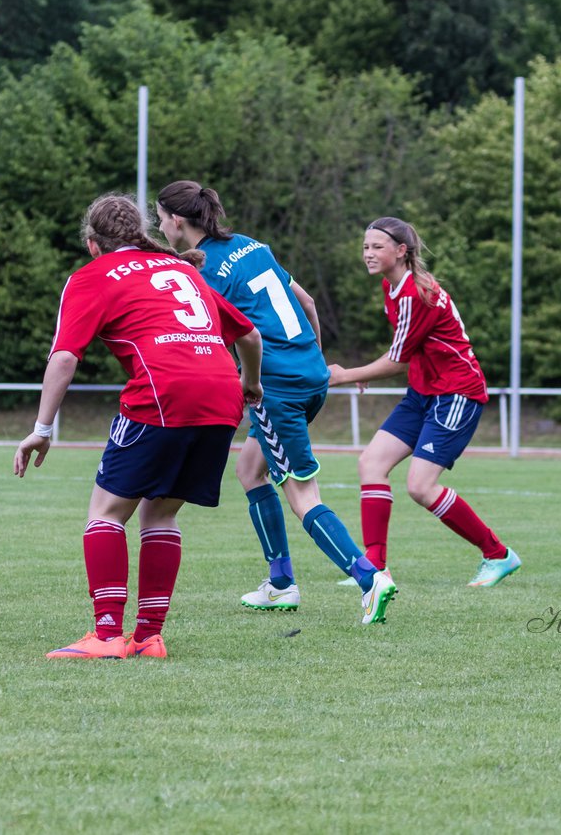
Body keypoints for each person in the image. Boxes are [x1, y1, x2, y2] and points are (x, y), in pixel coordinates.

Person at [14, 193, 265, 660]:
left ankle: (107, 635)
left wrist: (42, 429)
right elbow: (248, 335)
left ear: (94, 244)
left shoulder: (92, 276)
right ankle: (149, 637)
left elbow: (65, 357)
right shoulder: (183, 270)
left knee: (106, 513)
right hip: (221, 395)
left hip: (165, 393)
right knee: (161, 514)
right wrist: (250, 384)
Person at [155, 180, 397, 625]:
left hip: (277, 389)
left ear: (176, 220)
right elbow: (306, 303)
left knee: (302, 494)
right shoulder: (251, 246)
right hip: (311, 375)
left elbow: (239, 339)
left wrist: (252, 386)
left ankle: (369, 578)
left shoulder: (204, 274)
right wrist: (314, 363)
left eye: (160, 217)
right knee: (250, 470)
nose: (159, 226)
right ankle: (280, 584)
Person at [327, 217, 521, 587]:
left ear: (402, 251)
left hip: (456, 394)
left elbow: (397, 360)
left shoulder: (417, 293)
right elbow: (407, 350)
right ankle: (375, 566)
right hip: (424, 393)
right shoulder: (392, 286)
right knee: (371, 464)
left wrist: (346, 374)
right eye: (365, 246)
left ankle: (498, 554)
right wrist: (368, 371)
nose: (368, 253)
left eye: (377, 247)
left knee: (420, 486)